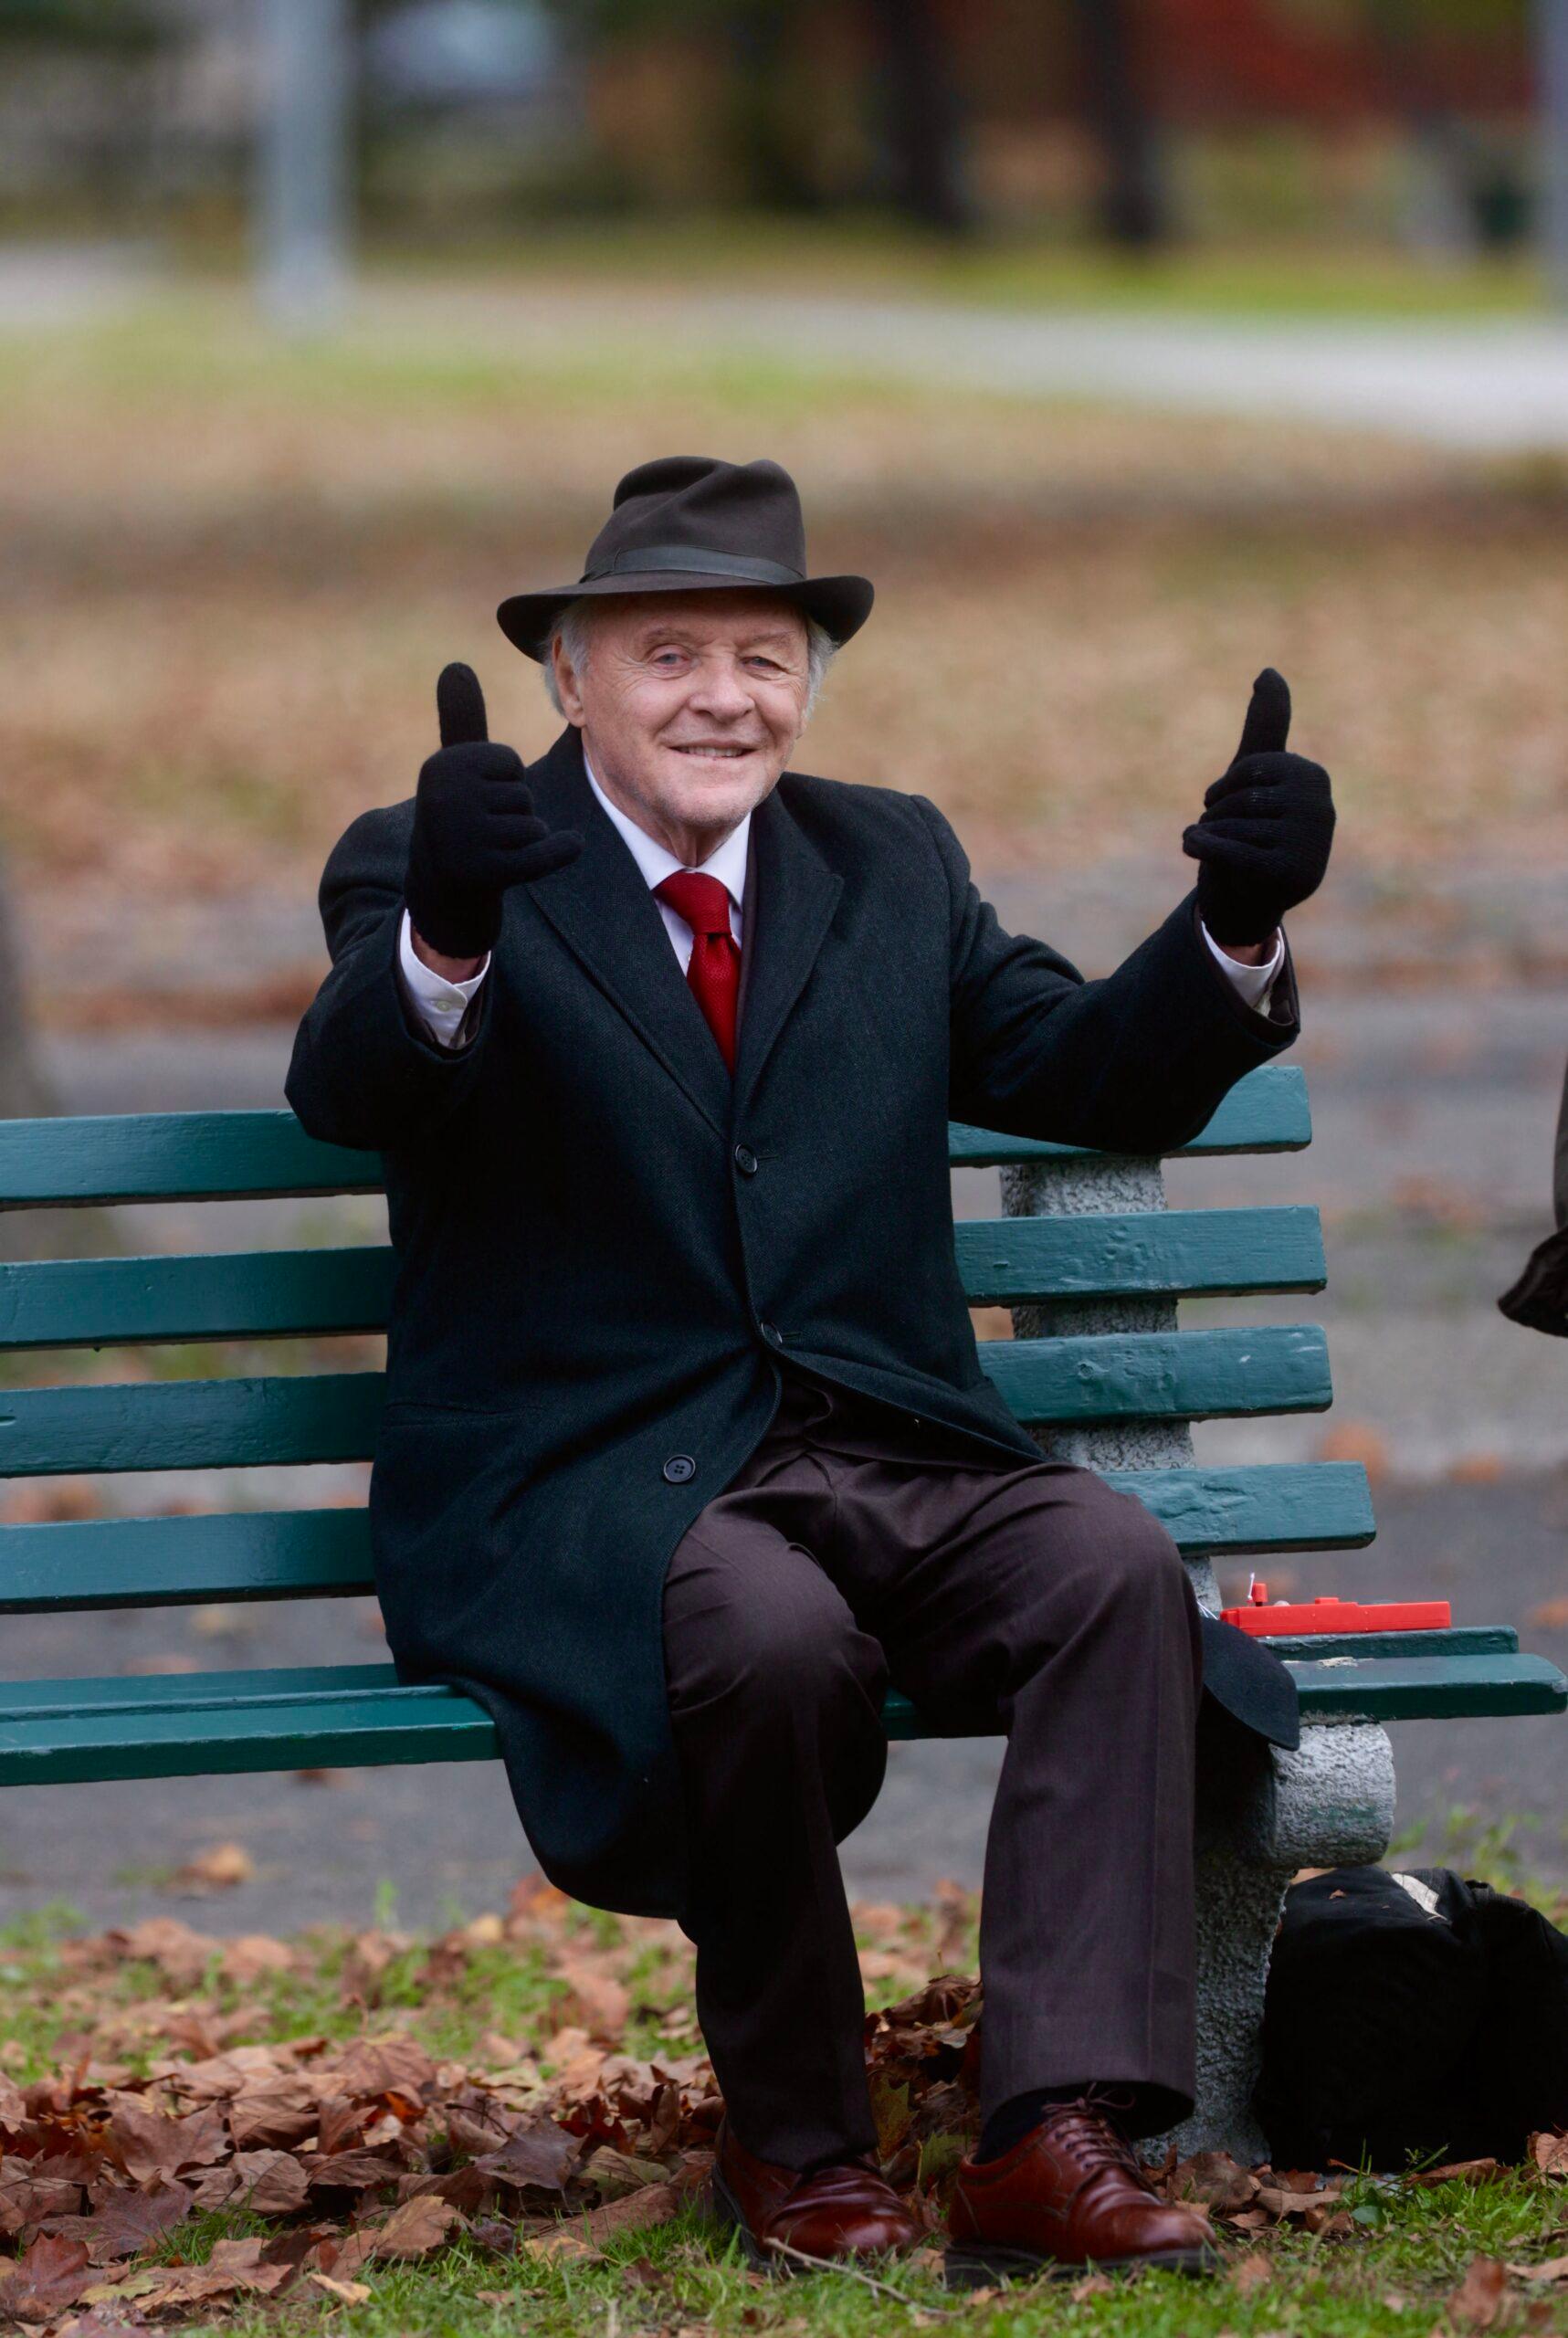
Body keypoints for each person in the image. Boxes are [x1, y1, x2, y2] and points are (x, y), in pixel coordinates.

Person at [286, 455, 1335, 2284]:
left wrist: (1231, 929)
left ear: (807, 683)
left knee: (1101, 1565)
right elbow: (356, 1083)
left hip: (886, 1445)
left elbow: (1083, 1071)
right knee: (763, 1631)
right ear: (570, 677)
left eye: (761, 653)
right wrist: (448, 932)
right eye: (668, 650)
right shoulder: (439, 849)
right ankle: (800, 2140)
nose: (720, 693)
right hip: (599, 1472)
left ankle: (1051, 2130)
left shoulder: (886, 856)